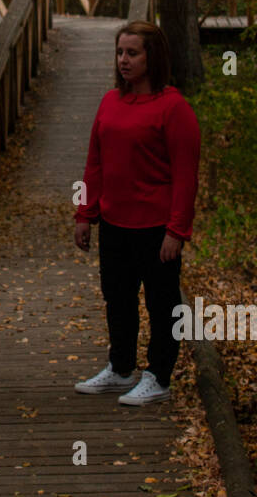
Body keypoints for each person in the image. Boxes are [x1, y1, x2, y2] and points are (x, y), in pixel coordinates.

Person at [72, 21, 200, 405]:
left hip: (156, 226)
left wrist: (177, 231)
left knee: (161, 304)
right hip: (114, 223)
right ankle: (120, 367)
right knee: (118, 298)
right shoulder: (111, 101)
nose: (124, 60)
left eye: (133, 53)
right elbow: (95, 162)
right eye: (120, 53)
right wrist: (85, 213)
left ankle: (158, 376)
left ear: (152, 57)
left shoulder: (173, 108)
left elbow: (185, 175)